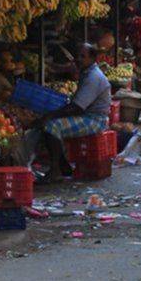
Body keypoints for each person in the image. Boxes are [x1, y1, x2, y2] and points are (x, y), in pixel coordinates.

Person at [21, 43, 111, 183]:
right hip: (87, 115)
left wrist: (49, 116)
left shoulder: (93, 77)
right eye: (77, 56)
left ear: (93, 58)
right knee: (50, 124)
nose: (79, 59)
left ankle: (56, 170)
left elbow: (77, 107)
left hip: (95, 120)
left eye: (83, 56)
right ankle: (63, 166)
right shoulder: (87, 72)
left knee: (51, 126)